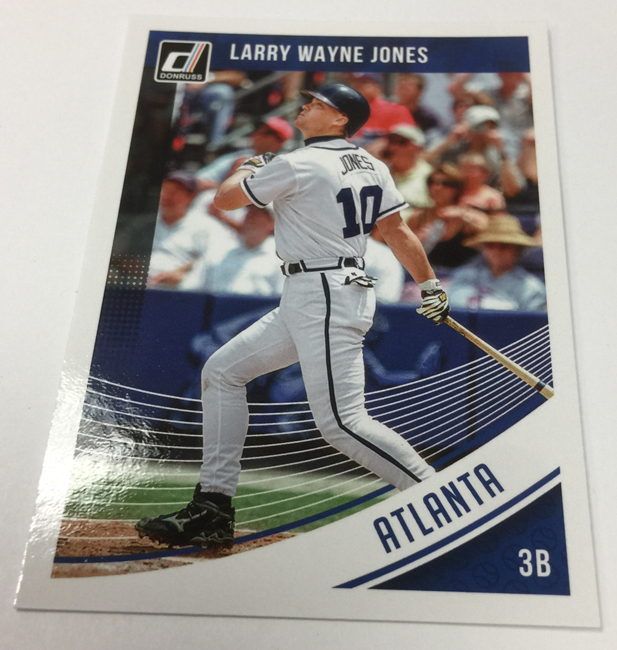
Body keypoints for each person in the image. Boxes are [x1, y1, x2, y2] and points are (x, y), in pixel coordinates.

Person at [135, 83, 450, 550]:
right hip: (318, 291)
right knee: (222, 373)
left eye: (318, 104)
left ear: (340, 119)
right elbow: (396, 230)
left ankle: (441, 499)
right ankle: (212, 506)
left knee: (342, 423)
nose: (305, 106)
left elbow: (224, 199)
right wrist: (429, 283)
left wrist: (249, 166)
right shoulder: (372, 164)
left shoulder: (300, 162)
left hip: (322, 291)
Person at [180, 203, 285, 297]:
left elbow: (282, 299)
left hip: (259, 311)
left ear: (272, 223)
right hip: (218, 309)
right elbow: (192, 288)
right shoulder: (219, 251)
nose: (250, 216)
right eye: (249, 211)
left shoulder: (280, 258)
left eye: (259, 213)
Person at [448, 214, 546, 311]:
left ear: (517, 250)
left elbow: (533, 319)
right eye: (490, 245)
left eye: (504, 246)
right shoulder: (464, 276)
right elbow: (451, 305)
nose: (496, 251)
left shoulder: (531, 289)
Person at [426, 104, 525, 198]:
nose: (486, 130)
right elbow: (422, 163)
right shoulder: (453, 148)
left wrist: (501, 151)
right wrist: (449, 141)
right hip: (453, 200)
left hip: (487, 202)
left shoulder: (499, 153)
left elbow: (513, 189)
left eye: (491, 126)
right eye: (481, 126)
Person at [406, 163, 488, 269]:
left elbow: (484, 226)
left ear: (457, 188)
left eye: (446, 184)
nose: (437, 188)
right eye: (432, 182)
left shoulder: (464, 213)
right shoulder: (419, 216)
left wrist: (462, 216)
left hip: (456, 271)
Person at [195, 117, 294, 190]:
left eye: (266, 132)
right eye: (258, 129)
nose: (257, 134)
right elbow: (199, 179)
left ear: (280, 141)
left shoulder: (283, 166)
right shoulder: (240, 156)